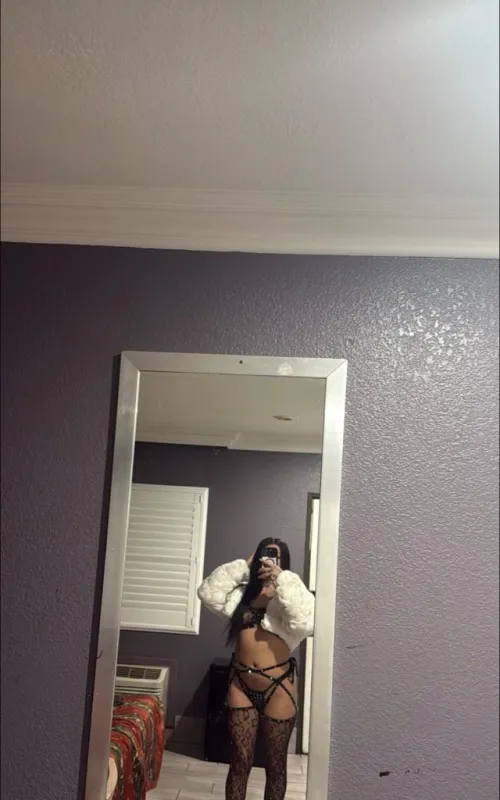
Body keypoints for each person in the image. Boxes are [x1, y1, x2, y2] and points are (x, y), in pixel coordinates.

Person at [197, 537, 315, 800]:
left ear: (283, 562)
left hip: (279, 687)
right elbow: (207, 593)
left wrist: (282, 579)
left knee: (275, 765)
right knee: (239, 760)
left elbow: (304, 622)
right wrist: (243, 566)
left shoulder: (291, 593)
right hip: (240, 683)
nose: (268, 561)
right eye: (264, 555)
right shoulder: (243, 594)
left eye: (275, 556)